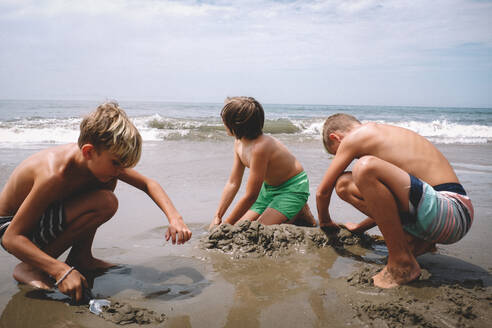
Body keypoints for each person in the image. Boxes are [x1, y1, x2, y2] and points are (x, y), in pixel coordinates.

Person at [0, 102, 192, 302]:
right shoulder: (54, 175)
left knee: (106, 184)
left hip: (42, 217)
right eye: (116, 163)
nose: (120, 170)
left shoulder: (97, 161)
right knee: (105, 200)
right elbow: (11, 238)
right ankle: (30, 267)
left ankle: (81, 257)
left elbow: (148, 183)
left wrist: (175, 218)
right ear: (89, 152)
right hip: (10, 226)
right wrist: (60, 271)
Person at [316, 113, 473, 288]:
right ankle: (418, 242)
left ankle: (402, 263)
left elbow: (322, 192)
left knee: (359, 171)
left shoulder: (356, 136)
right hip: (452, 217)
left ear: (335, 137)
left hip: (449, 208)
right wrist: (360, 227)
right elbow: (387, 201)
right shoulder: (385, 137)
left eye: (337, 153)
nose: (347, 157)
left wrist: (325, 222)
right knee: (352, 179)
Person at [209, 97, 316, 229]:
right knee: (240, 226)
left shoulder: (260, 148)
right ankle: (293, 210)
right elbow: (233, 182)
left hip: (292, 188)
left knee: (257, 230)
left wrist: (225, 225)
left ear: (235, 124)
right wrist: (218, 216)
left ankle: (299, 210)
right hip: (268, 190)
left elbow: (251, 196)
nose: (222, 121)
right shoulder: (239, 143)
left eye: (223, 118)